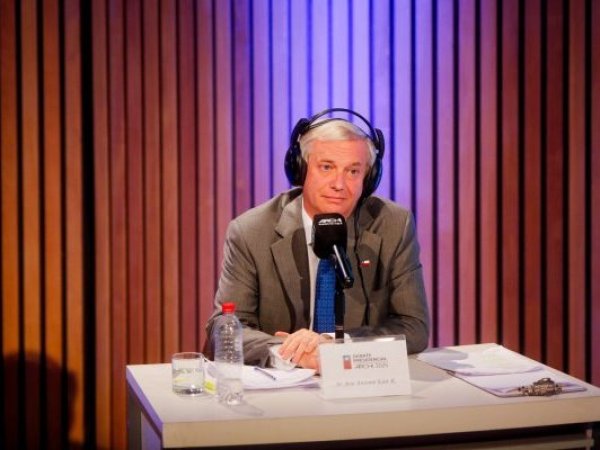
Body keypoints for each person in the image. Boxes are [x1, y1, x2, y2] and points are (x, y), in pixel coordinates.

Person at [205, 108, 429, 371]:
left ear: (368, 178)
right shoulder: (251, 232)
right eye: (326, 167)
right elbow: (224, 328)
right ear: (301, 169)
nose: (339, 184)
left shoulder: (393, 226)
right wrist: (293, 352)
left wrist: (335, 344)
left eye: (353, 171)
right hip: (283, 383)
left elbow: (414, 327)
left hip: (358, 379)